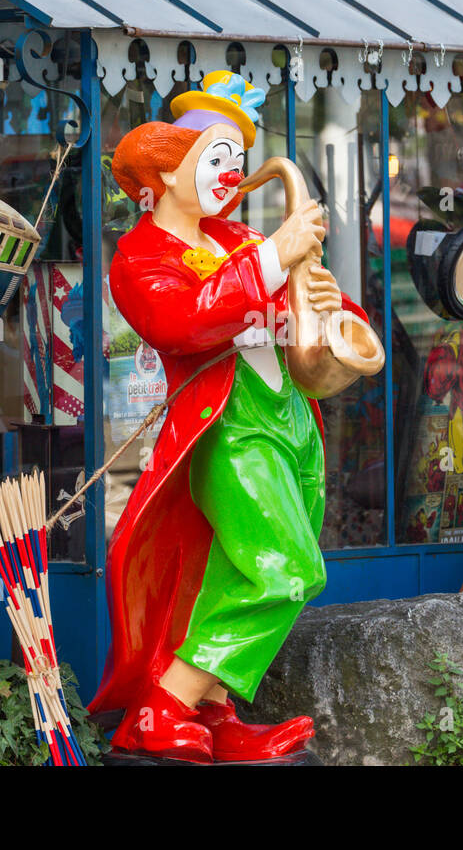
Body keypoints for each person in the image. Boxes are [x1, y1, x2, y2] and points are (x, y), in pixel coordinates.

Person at [88, 71, 369, 762]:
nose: (230, 173)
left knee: (230, 573)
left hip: (291, 421)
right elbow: (181, 321)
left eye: (237, 161)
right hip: (228, 430)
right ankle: (165, 706)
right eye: (214, 157)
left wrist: (327, 305)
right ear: (166, 167)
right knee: (285, 568)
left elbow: (289, 313)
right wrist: (277, 256)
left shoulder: (241, 238)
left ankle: (210, 715)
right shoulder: (142, 257)